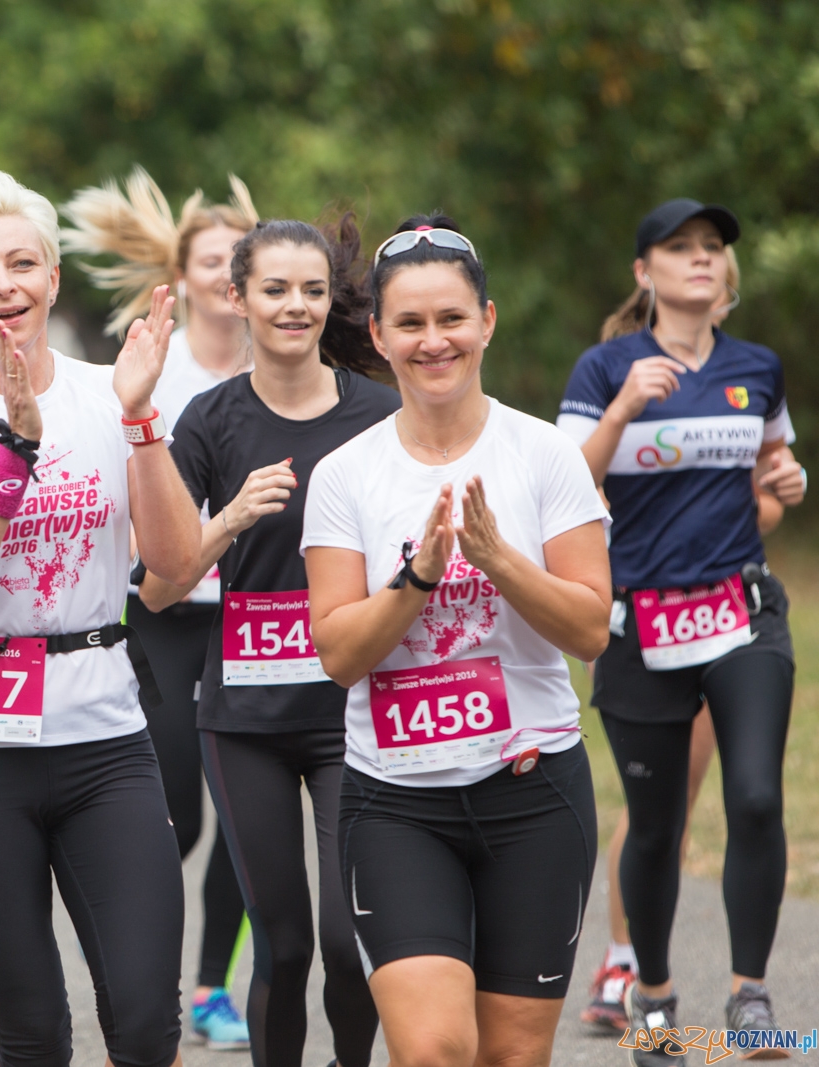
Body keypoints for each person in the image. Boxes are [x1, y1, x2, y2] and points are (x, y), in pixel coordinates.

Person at [0, 170, 202, 1067]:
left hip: (104, 739)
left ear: (54, 279)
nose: (3, 286)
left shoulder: (114, 391)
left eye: (22, 263)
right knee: (34, 1034)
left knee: (144, 1026)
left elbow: (173, 572)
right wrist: (15, 448)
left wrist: (140, 419)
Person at [302, 215, 612, 1067]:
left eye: (451, 319)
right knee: (436, 1047)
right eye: (410, 323)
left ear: (487, 322)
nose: (433, 341)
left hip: (533, 790)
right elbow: (338, 654)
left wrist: (499, 561)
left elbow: (590, 629)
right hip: (397, 803)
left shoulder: (546, 456)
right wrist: (419, 577)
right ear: (378, 335)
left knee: (511, 1055)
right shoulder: (346, 475)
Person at [138, 215, 398, 1067]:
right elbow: (157, 583)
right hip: (244, 712)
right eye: (276, 289)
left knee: (345, 941)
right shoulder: (210, 422)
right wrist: (228, 520)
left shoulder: (381, 414)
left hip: (352, 708)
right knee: (283, 945)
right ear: (237, 296)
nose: (297, 306)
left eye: (314, 290)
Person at [556, 199, 805, 1062]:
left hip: (742, 612)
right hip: (639, 624)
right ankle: (653, 993)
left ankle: (750, 995)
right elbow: (562, 490)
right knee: (655, 824)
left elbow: (770, 475)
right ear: (644, 273)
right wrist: (622, 408)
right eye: (680, 248)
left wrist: (786, 482)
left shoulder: (756, 368)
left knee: (757, 797)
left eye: (712, 249)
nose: (701, 260)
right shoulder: (604, 368)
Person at [61, 167, 256, 1050]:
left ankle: (213, 984)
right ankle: (137, 956)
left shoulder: (280, 365)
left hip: (257, 617)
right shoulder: (152, 372)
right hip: (165, 613)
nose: (224, 273)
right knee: (176, 801)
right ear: (180, 276)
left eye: (235, 259)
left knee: (246, 809)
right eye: (209, 259)